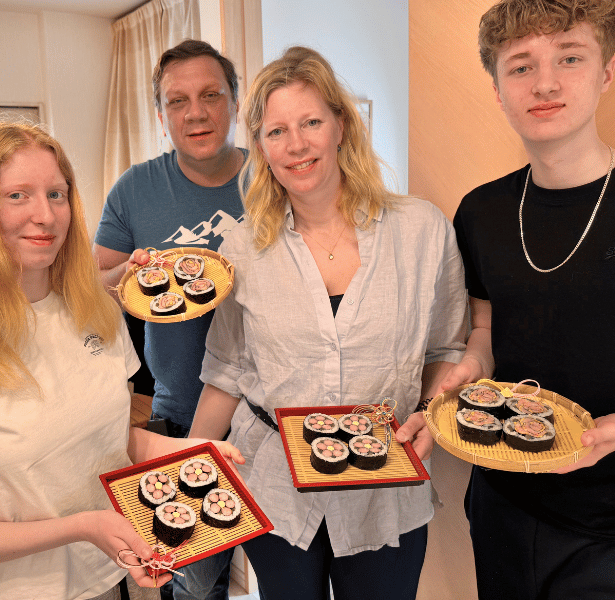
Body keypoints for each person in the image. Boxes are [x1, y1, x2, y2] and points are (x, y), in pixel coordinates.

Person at [0, 120, 244, 600]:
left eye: (56, 194)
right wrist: (81, 527)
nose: (45, 216)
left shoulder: (94, 312)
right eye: (18, 196)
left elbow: (107, 441)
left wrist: (194, 452)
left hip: (125, 577)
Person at [188, 46, 468, 600]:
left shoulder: (420, 230)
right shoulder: (242, 247)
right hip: (275, 486)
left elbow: (448, 348)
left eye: (311, 122)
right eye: (276, 131)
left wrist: (431, 421)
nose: (296, 145)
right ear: (261, 148)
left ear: (341, 125)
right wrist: (185, 476)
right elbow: (227, 370)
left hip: (384, 488)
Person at [447, 1, 615, 598]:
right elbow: (488, 325)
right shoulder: (482, 212)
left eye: (569, 57)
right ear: (498, 90)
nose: (545, 82)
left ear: (606, 72)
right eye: (520, 66)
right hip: (503, 504)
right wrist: (473, 367)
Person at [92, 40, 245, 600]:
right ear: (161, 115)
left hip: (272, 417)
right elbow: (93, 289)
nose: (196, 112)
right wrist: (128, 276)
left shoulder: (276, 178)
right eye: (177, 101)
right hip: (181, 417)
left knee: (287, 573)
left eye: (210, 95)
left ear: (234, 99)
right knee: (196, 583)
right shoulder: (135, 189)